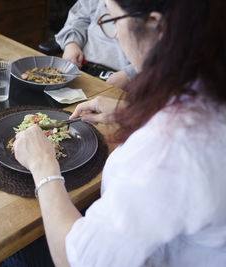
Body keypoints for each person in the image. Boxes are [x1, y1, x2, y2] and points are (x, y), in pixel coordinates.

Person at [13, 0, 226, 266]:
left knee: (13, 251)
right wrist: (134, 111)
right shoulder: (210, 83)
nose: (116, 35)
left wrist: (43, 165)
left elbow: (73, 259)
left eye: (113, 21)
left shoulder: (169, 147)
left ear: (154, 24)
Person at [55, 0, 136, 89]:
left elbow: (152, 55)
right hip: (83, 66)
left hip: (122, 78)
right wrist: (72, 43)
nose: (116, 34)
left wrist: (130, 73)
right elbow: (79, 17)